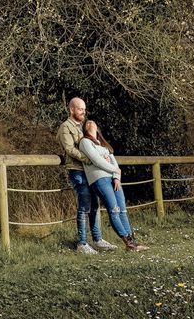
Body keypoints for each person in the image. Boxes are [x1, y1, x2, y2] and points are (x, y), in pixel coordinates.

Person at [56, 97, 117, 254]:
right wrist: (90, 159)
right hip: (77, 171)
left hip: (89, 171)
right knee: (84, 206)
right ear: (72, 110)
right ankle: (82, 244)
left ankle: (97, 240)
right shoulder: (65, 127)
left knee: (95, 205)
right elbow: (70, 150)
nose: (83, 111)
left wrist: (100, 155)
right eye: (80, 109)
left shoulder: (83, 127)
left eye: (84, 109)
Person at [79, 120, 149, 252]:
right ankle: (128, 243)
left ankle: (133, 242)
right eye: (87, 122)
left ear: (97, 127)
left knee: (122, 210)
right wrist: (113, 168)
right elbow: (96, 160)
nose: (90, 123)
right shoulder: (85, 142)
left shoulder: (103, 145)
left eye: (92, 122)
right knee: (114, 209)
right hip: (100, 179)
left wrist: (116, 176)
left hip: (113, 178)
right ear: (85, 128)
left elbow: (114, 163)